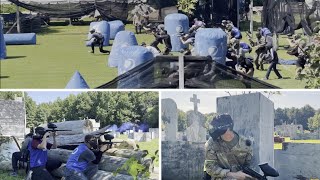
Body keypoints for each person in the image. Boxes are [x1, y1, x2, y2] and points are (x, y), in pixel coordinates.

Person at [204, 114, 253, 179]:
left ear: (228, 128)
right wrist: (232, 175)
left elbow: (249, 165)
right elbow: (209, 167)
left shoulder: (245, 144)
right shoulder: (212, 143)